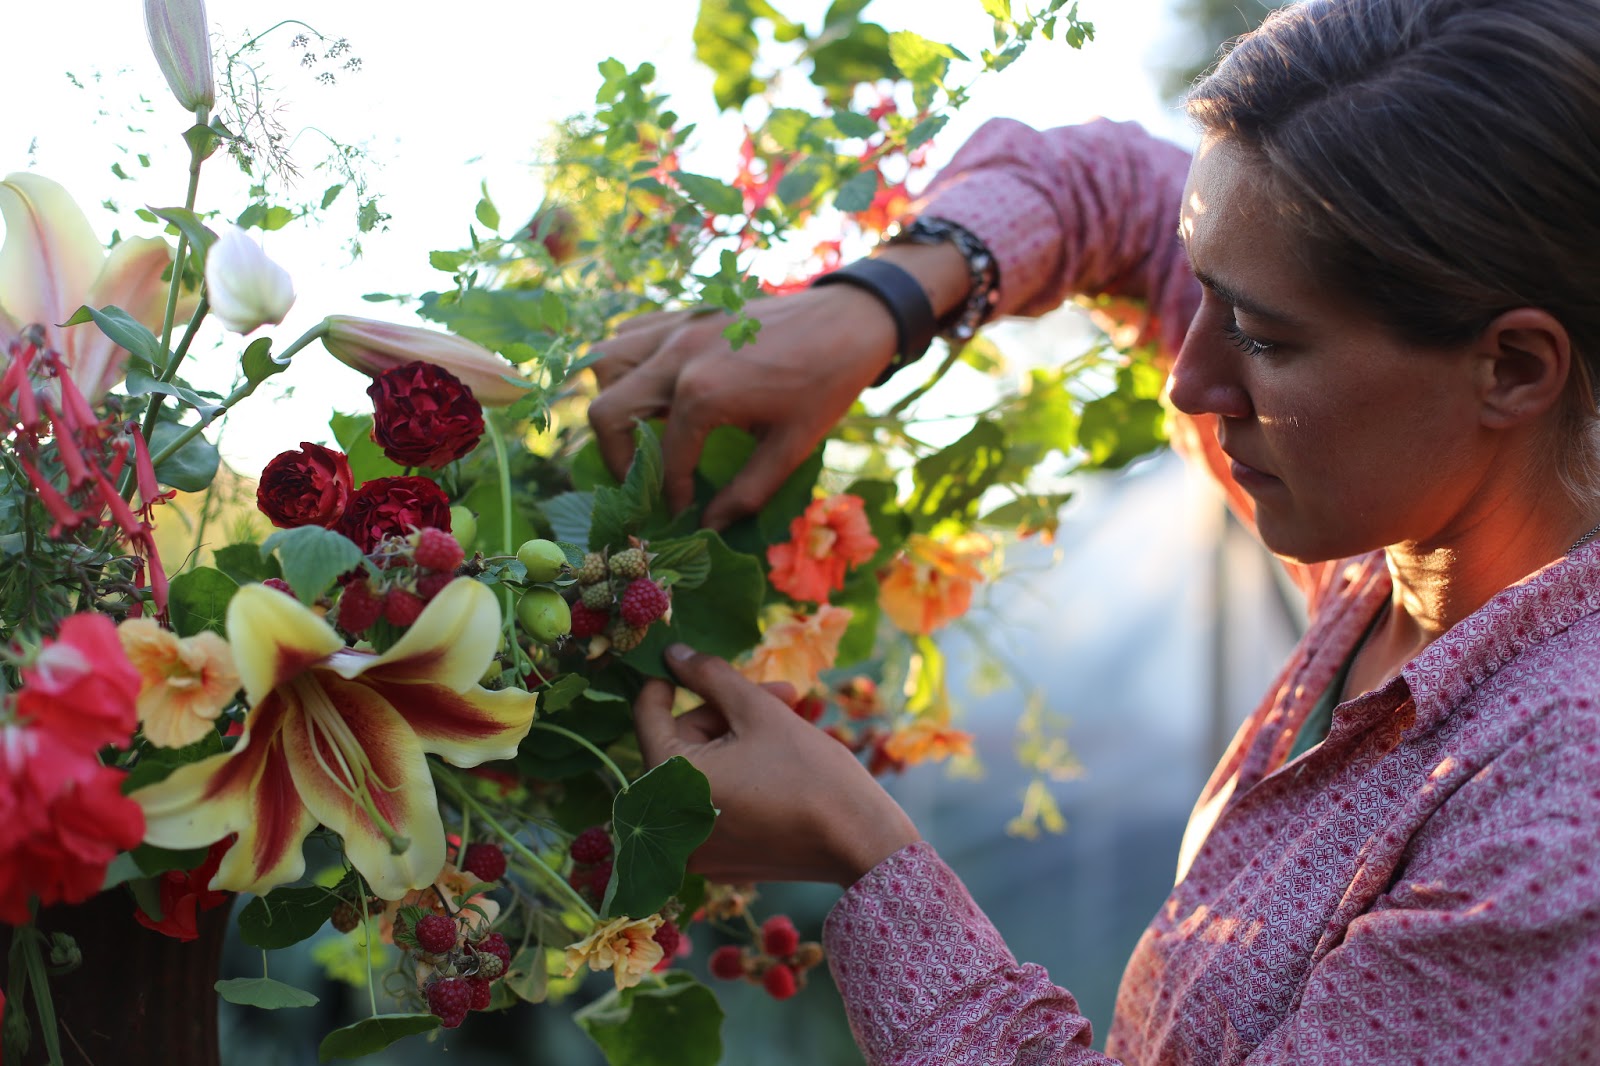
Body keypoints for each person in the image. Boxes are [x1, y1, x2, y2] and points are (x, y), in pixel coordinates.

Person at [591, 0, 1600, 1061]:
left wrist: (862, 853)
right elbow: (1115, 193)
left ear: (1514, 367)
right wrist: (879, 301)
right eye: (1206, 293)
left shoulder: (1562, 806)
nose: (1192, 378)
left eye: (1261, 338)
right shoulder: (1403, 561)